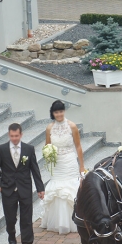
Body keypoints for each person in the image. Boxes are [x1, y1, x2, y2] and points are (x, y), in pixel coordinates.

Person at [0, 122, 45, 244]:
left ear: (21, 135)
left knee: (26, 219)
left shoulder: (29, 149)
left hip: (25, 188)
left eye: (16, 136)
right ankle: (11, 233)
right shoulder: (1, 149)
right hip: (8, 190)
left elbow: (35, 169)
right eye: (12, 136)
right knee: (10, 218)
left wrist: (40, 188)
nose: (14, 138)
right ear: (9, 135)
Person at [41, 100, 85, 235]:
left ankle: (74, 220)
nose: (59, 114)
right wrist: (48, 156)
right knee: (57, 190)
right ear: (53, 113)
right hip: (57, 163)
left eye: (61, 111)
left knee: (69, 189)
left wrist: (81, 166)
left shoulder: (72, 126)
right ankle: (58, 222)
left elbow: (78, 146)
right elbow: (47, 146)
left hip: (69, 161)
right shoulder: (49, 128)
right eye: (56, 112)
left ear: (64, 111)